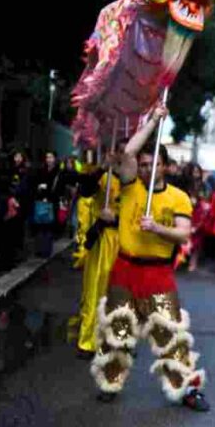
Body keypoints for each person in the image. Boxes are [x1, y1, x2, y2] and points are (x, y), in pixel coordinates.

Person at [89, 105, 209, 411]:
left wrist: (156, 228)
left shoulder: (179, 197)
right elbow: (125, 154)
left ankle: (186, 389)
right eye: (142, 164)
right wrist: (154, 120)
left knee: (170, 333)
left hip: (158, 274)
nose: (145, 168)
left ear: (166, 166)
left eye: (153, 163)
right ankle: (110, 382)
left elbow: (183, 234)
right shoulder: (131, 188)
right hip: (125, 269)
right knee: (116, 330)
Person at [74, 143, 124, 359]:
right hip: (101, 241)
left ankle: (118, 341)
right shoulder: (101, 175)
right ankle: (88, 341)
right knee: (95, 290)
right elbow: (85, 189)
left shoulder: (137, 182)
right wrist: (103, 168)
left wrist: (117, 219)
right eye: (117, 151)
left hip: (125, 242)